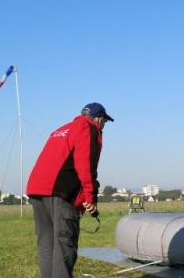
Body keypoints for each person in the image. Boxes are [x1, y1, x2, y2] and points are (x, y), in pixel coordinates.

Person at [26, 102, 114, 278]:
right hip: (60, 193)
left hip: (36, 189)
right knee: (64, 243)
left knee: (47, 243)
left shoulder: (62, 129)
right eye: (104, 121)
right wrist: (90, 197)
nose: (104, 126)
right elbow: (86, 165)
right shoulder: (88, 129)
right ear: (98, 119)